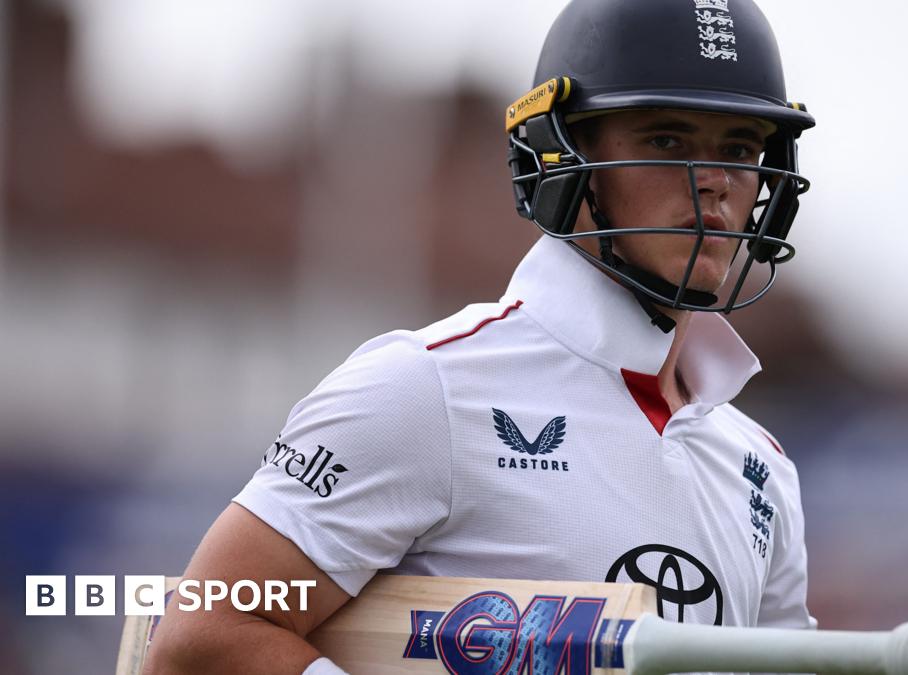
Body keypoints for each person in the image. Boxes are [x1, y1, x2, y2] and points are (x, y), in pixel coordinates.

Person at [144, 0, 816, 673]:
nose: (717, 182)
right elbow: (202, 635)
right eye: (666, 139)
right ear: (562, 155)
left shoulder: (762, 468)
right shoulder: (423, 386)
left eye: (739, 148)